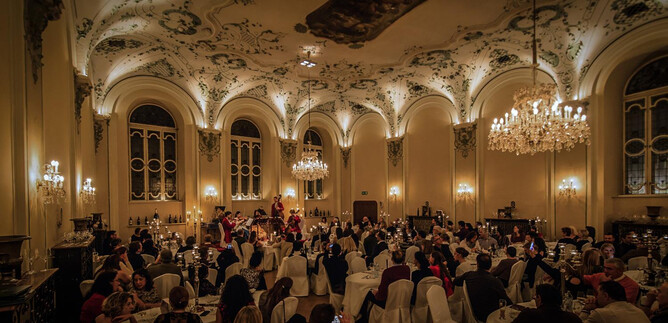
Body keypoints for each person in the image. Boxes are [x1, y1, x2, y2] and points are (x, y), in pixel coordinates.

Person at [453, 253, 512, 322]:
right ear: (490, 266)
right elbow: (506, 300)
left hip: (475, 311)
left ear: (477, 264)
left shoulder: (469, 275)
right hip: (490, 314)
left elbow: (455, 281)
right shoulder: (495, 281)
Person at [358, 250, 410, 323]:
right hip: (401, 299)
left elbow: (381, 295)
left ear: (391, 259)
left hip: (387, 302)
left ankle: (364, 319)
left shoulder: (388, 272)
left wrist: (376, 293)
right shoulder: (407, 269)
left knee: (365, 293)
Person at [569, 258, 639, 304]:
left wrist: (605, 283)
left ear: (620, 271)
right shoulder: (600, 276)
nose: (605, 271)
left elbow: (616, 304)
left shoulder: (631, 285)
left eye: (609, 269)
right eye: (604, 268)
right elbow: (582, 278)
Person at [581, 281, 650, 323]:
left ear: (606, 296)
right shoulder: (638, 311)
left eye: (598, 294)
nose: (596, 297)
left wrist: (586, 310)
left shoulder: (600, 313)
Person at [511, 284, 582, 323]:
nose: (534, 299)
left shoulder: (529, 315)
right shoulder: (573, 319)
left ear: (539, 298)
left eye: (535, 296)